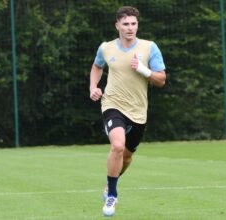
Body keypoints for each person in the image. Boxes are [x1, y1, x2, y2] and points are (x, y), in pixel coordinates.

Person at [89, 6, 166, 217]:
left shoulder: (150, 48)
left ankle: (109, 182)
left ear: (137, 25)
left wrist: (143, 69)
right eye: (126, 24)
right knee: (117, 146)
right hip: (112, 104)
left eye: (133, 24)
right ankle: (112, 195)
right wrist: (93, 87)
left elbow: (161, 79)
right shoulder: (106, 48)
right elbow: (97, 67)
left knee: (127, 157)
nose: (130, 28)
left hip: (138, 111)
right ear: (117, 26)